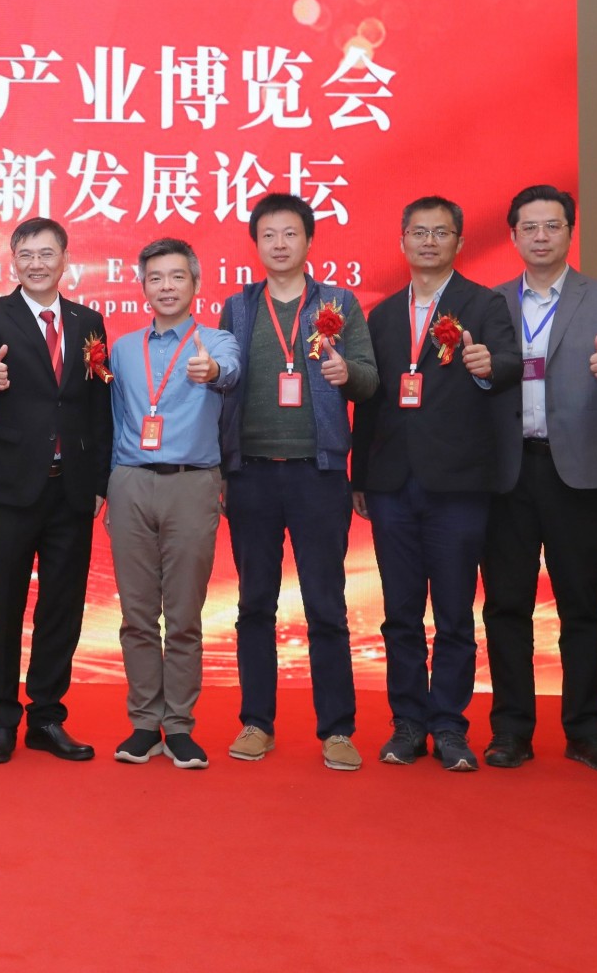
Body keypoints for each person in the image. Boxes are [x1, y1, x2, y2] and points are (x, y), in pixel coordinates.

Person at [483, 186, 597, 775]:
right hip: (507, 474)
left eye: (552, 226)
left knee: (582, 607)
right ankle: (511, 731)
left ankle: (586, 732)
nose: (541, 236)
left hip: (578, 474)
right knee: (506, 606)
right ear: (513, 236)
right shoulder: (490, 302)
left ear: (569, 232)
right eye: (529, 227)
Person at [351, 197, 519, 772]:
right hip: (392, 483)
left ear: (459, 242)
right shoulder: (382, 315)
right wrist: (360, 476)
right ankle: (407, 724)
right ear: (402, 241)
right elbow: (369, 400)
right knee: (399, 612)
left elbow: (509, 364)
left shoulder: (484, 304)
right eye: (418, 232)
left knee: (453, 612)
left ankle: (448, 725)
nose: (428, 242)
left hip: (459, 484)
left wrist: (488, 366)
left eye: (440, 233)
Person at [218, 195, 378, 771]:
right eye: (269, 235)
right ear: (256, 245)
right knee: (254, 604)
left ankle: (337, 729)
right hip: (251, 473)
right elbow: (223, 385)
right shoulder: (238, 308)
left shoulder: (338, 303)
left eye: (290, 233)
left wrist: (346, 372)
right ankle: (256, 723)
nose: (280, 244)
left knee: (326, 605)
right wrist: (222, 467)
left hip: (318, 472)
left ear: (309, 241)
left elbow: (369, 380)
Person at [0, 217, 113, 763]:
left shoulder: (87, 321)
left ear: (64, 260)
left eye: (46, 254)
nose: (36, 264)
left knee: (62, 608)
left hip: (71, 488)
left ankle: (47, 717)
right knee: (4, 604)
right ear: (13, 261)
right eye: (26, 255)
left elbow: (97, 405)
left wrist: (99, 480)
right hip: (12, 485)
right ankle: (1, 720)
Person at [105, 238, 239, 769]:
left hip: (192, 484)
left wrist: (212, 371)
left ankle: (180, 725)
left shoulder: (216, 341)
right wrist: (111, 486)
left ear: (196, 284)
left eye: (177, 277)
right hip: (131, 483)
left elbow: (229, 370)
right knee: (137, 615)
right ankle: (144, 723)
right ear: (143, 286)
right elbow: (116, 418)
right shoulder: (123, 349)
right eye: (156, 278)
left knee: (183, 615)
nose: (166, 287)